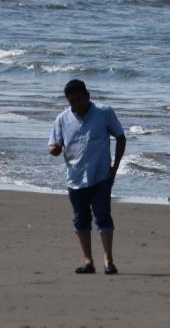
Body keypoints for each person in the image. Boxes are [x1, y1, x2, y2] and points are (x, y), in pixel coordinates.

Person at [47, 79, 126, 275]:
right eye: (71, 101)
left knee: (103, 216)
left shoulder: (104, 113)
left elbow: (121, 137)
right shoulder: (62, 119)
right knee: (80, 220)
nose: (75, 104)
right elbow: (53, 146)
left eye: (78, 99)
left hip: (100, 176)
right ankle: (88, 261)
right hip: (75, 178)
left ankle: (109, 260)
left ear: (87, 95)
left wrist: (115, 168)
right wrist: (55, 149)